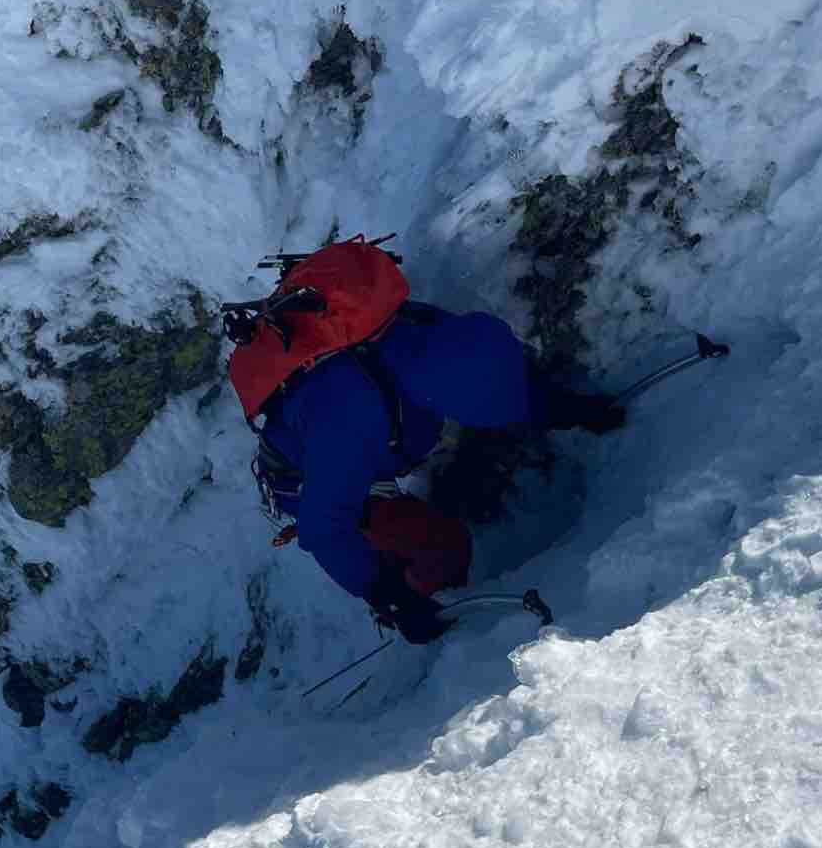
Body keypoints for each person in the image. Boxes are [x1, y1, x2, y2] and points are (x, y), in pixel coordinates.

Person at [228, 238, 621, 643]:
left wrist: (561, 408)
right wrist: (387, 595)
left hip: (376, 431)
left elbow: (497, 382)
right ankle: (453, 638)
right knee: (443, 549)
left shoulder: (426, 329)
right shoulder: (349, 422)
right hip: (309, 471)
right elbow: (323, 528)